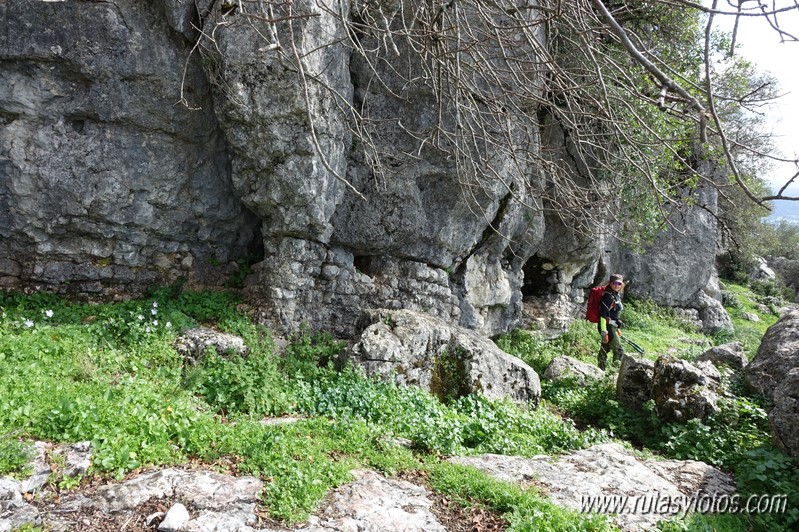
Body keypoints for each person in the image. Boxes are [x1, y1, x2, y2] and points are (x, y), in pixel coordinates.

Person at [597, 274, 625, 370]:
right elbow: (603, 314)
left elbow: (613, 312)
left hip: (612, 326)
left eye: (619, 283)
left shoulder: (615, 294)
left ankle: (600, 370)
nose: (617, 285)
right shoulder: (608, 296)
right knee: (619, 351)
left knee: (605, 349)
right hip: (607, 327)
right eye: (614, 283)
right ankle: (614, 373)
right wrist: (604, 331)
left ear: (622, 284)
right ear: (610, 283)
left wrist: (618, 322)